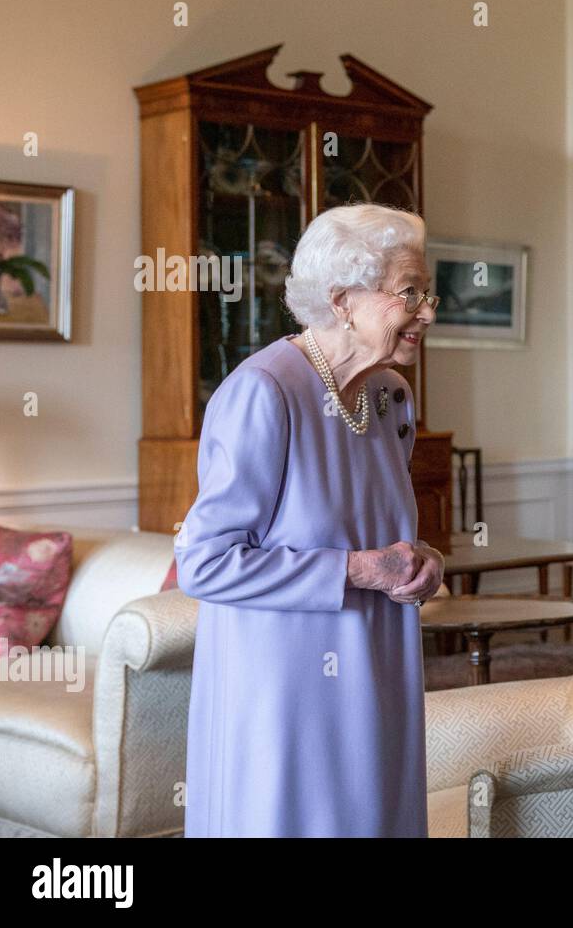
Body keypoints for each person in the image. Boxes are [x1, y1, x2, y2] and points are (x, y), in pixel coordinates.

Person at [176, 203, 444, 837]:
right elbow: (204, 562)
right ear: (343, 300)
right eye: (409, 293)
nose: (428, 312)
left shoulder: (390, 397)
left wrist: (422, 560)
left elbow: (377, 527)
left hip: (377, 663)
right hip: (286, 684)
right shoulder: (264, 392)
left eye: (427, 294)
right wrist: (359, 570)